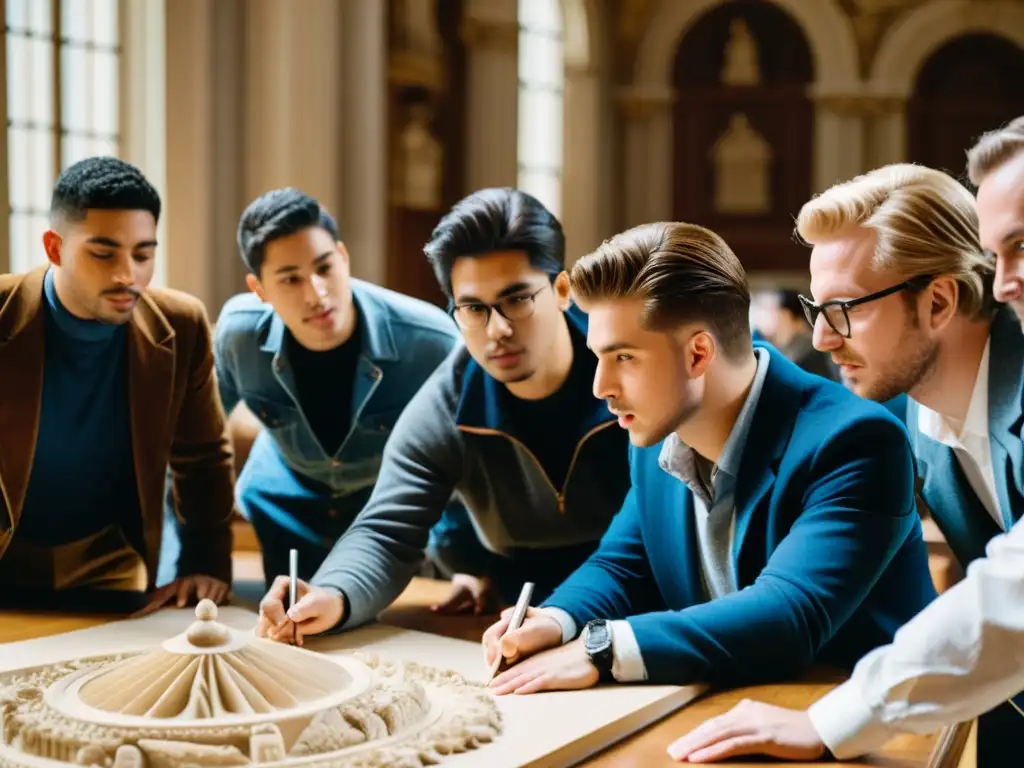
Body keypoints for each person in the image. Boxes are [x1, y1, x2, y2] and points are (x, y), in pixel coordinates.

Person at [663, 120, 1024, 765]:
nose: (822, 339)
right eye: (816, 310)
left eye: (845, 309)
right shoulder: (910, 415)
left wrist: (832, 721)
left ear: (938, 302)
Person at [479, 221, 937, 697]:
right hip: (733, 705)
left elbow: (789, 615)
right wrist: (555, 620)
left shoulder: (858, 441)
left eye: (624, 358)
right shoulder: (656, 435)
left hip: (873, 719)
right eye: (599, 357)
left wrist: (603, 647)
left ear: (698, 354)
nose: (601, 387)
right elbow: (622, 565)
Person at [255, 188, 632, 643]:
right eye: (473, 308)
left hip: (644, 593)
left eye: (517, 299)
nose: (498, 329)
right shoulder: (445, 405)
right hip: (517, 603)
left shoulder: (631, 373)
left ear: (563, 291)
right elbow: (387, 531)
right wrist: (332, 595)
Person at [160, 187, 462, 588]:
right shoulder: (238, 335)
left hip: (390, 518)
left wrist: (465, 562)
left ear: (343, 257)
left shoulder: (431, 341)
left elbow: (471, 457)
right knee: (287, 619)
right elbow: (190, 451)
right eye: (290, 279)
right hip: (283, 510)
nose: (317, 294)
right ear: (259, 289)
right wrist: (193, 564)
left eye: (324, 268)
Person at [0, 156, 235, 614]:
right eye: (104, 254)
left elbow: (204, 459)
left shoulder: (181, 324)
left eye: (143, 255)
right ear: (54, 247)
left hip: (113, 565)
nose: (128, 275)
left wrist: (205, 565)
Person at [750, 288, 838, 381]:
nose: (763, 317)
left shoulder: (809, 348)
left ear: (785, 314)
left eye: (771, 311)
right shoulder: (769, 342)